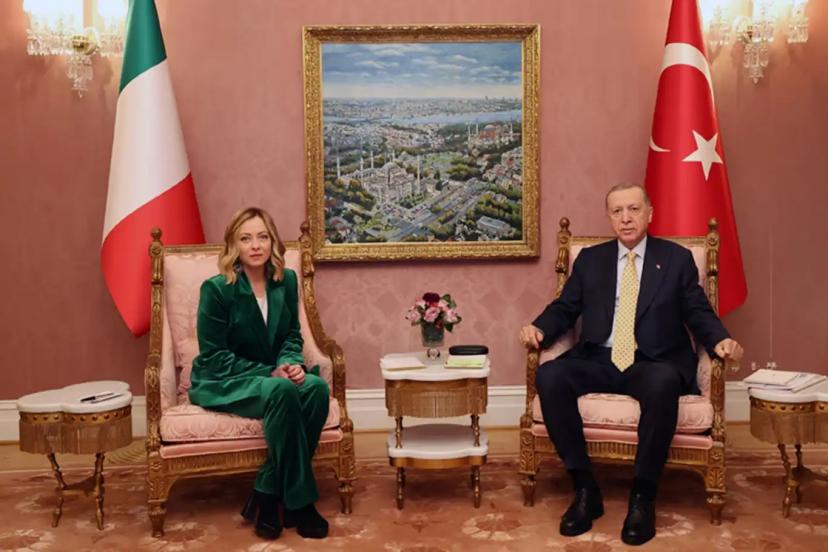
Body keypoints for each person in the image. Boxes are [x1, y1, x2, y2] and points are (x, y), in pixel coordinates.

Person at [519, 183, 743, 546]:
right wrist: (539, 328)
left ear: (649, 213)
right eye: (617, 211)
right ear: (609, 217)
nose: (625, 218)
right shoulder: (591, 260)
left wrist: (719, 339)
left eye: (634, 209)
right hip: (599, 358)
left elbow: (697, 310)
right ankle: (585, 488)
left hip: (653, 360)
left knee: (663, 383)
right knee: (551, 375)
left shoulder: (676, 259)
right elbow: (565, 307)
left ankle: (643, 495)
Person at [189, 207, 330, 540]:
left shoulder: (286, 280)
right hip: (226, 380)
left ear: (273, 242)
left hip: (273, 376)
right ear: (233, 245)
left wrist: (291, 362)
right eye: (246, 238)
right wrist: (271, 372)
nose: (255, 245)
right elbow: (214, 356)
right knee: (282, 390)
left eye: (263, 237)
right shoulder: (217, 289)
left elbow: (291, 335)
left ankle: (267, 491)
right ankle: (301, 504)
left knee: (316, 389)